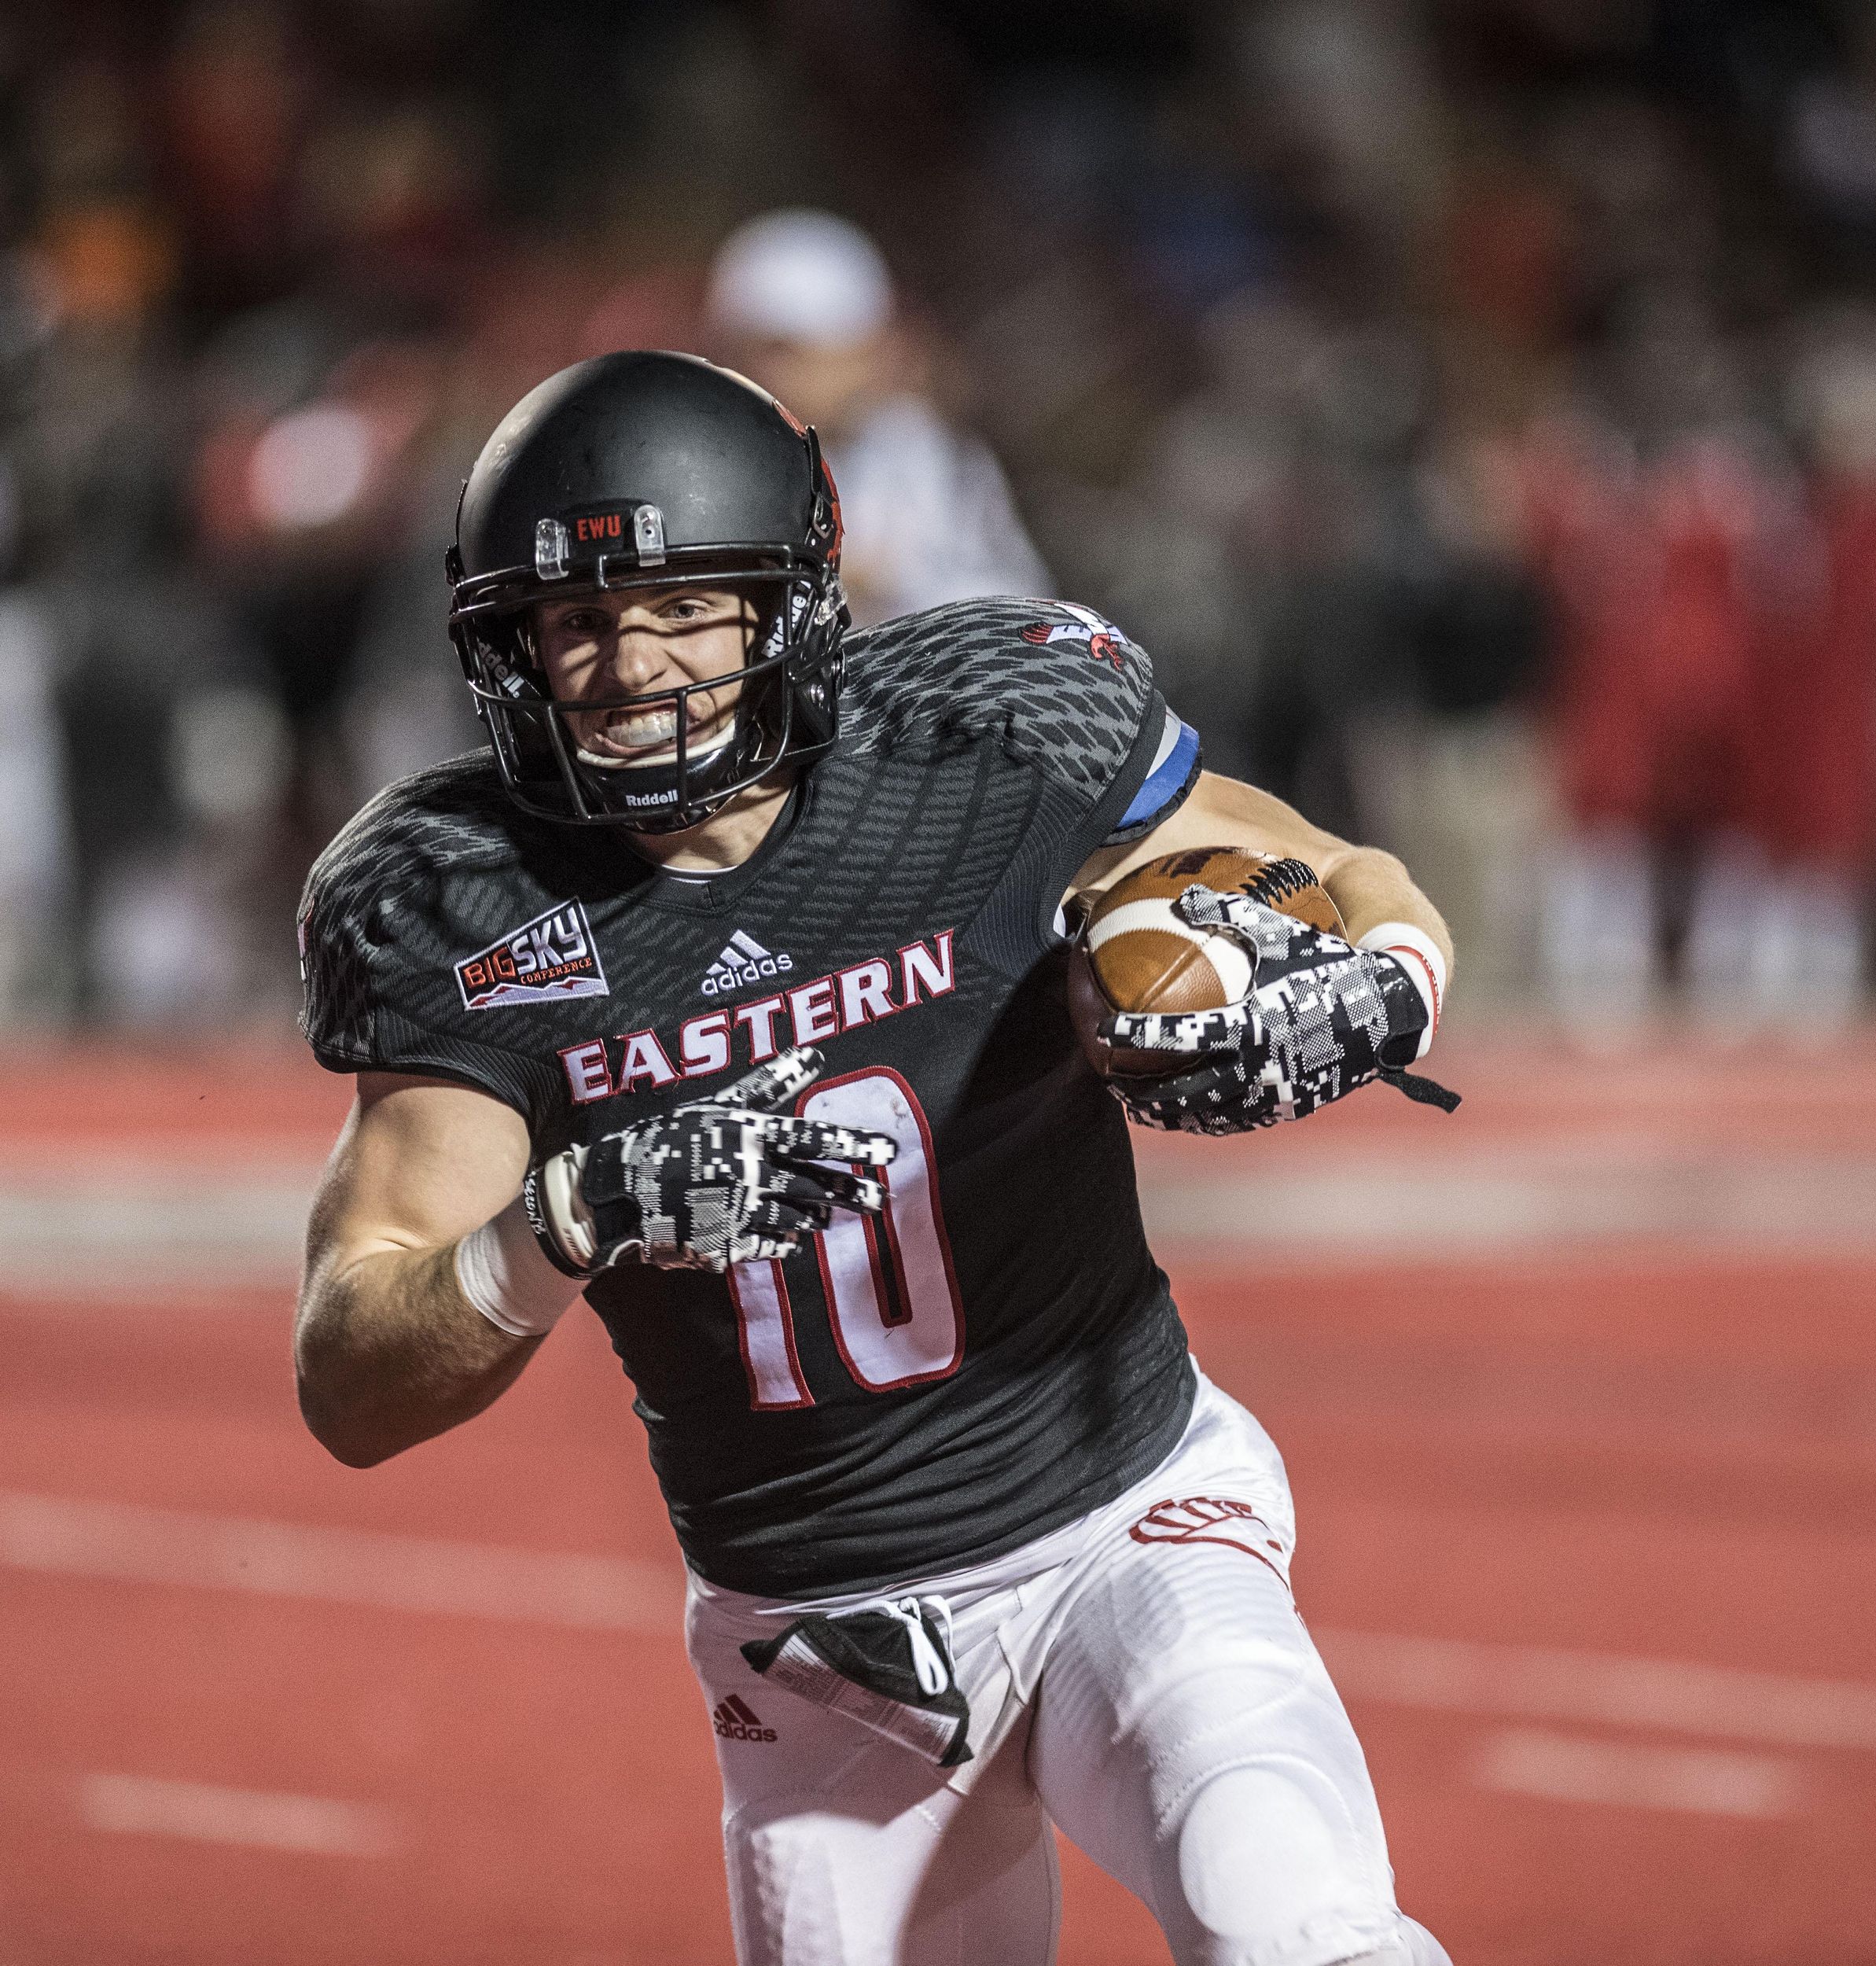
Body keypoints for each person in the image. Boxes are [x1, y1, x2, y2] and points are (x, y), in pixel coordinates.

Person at [292, 351, 1457, 1966]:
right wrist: (563, 1217)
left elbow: (1322, 865)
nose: (628, 662)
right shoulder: (463, 898)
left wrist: (1387, 979)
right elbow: (352, 1374)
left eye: (683, 602)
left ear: (789, 601)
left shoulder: (978, 728)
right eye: (571, 619)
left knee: (1303, 1925)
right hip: (817, 1647)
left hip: (1118, 1515)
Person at [704, 208, 1051, 622]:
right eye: (757, 353)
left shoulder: (928, 454)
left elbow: (1017, 614)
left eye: (857, 350)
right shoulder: (705, 460)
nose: (766, 373)